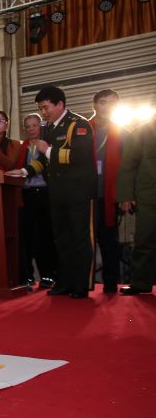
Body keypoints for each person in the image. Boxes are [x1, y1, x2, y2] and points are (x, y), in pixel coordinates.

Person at [6, 85, 96, 298]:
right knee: (61, 239)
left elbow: (79, 156)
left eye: (46, 107)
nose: (43, 112)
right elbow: (42, 161)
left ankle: (81, 285)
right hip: (56, 193)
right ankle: (65, 282)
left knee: (79, 238)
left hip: (78, 192)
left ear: (60, 104)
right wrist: (24, 171)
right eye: (41, 108)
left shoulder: (78, 124)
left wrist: (48, 150)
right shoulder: (47, 128)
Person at [115, 112, 155, 295]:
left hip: (147, 194)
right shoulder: (142, 132)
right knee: (145, 239)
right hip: (149, 196)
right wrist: (125, 196)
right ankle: (141, 283)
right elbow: (127, 166)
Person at [88, 89, 124, 292]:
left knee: (109, 241)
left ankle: (111, 284)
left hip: (108, 196)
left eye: (112, 103)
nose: (107, 107)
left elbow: (128, 167)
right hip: (84, 196)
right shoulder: (81, 129)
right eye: (103, 102)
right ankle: (83, 282)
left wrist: (126, 196)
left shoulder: (123, 132)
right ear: (94, 105)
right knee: (83, 242)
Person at [17, 114, 57, 289]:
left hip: (45, 193)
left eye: (35, 125)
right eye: (28, 126)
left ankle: (48, 275)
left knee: (45, 236)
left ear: (40, 126)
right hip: (26, 194)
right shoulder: (21, 147)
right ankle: (28, 276)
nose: (31, 128)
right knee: (26, 237)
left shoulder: (47, 145)